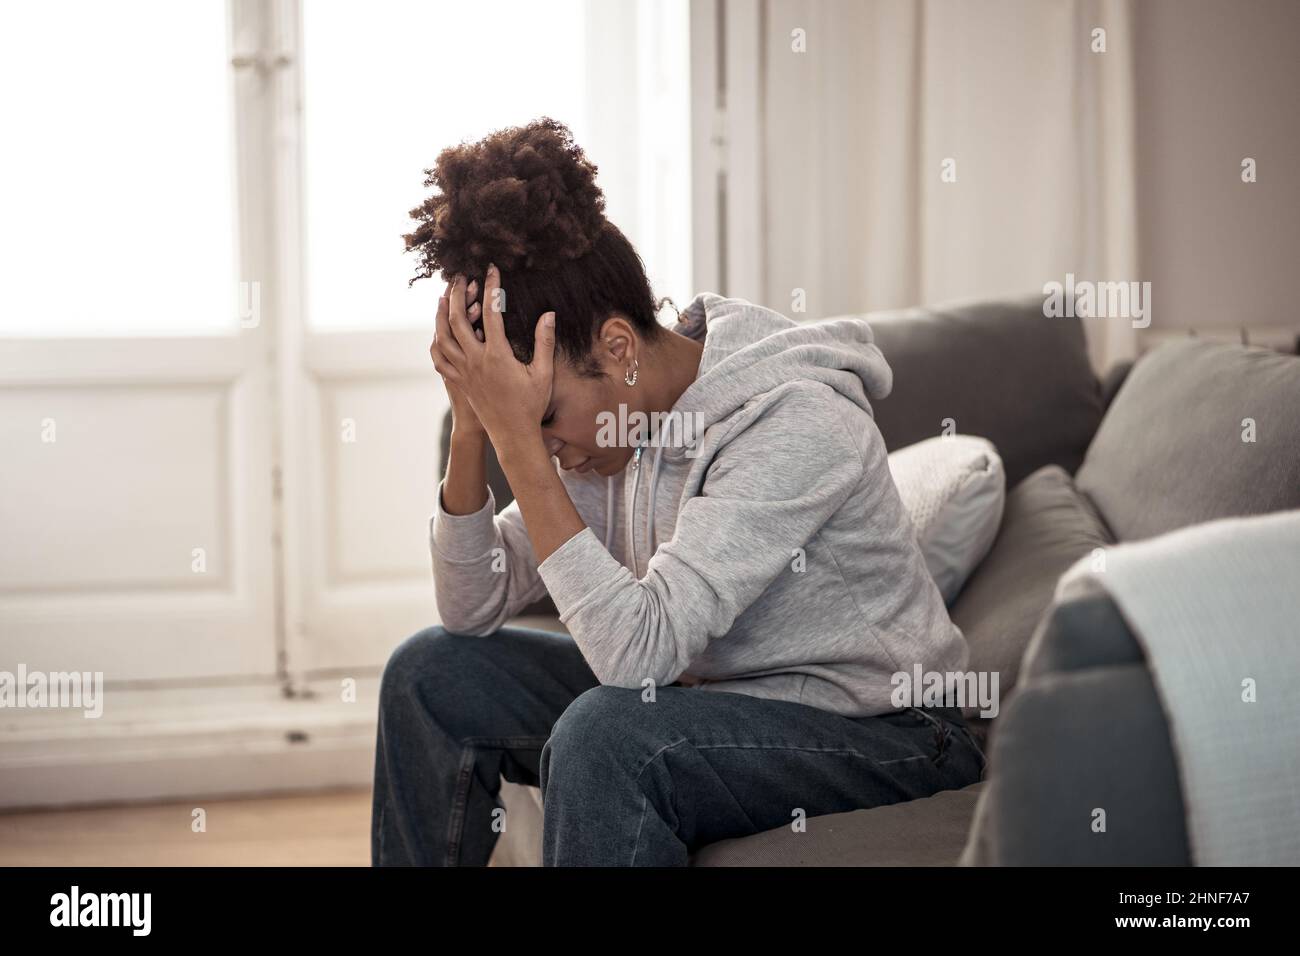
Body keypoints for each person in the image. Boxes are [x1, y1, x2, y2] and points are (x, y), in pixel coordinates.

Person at [371, 116, 985, 866]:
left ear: (618, 348)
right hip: (720, 704)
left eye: (547, 417)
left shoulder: (795, 421)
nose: (546, 446)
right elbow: (470, 609)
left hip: (893, 731)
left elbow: (639, 659)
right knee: (431, 672)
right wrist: (472, 428)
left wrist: (518, 444)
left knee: (606, 736)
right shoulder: (616, 433)